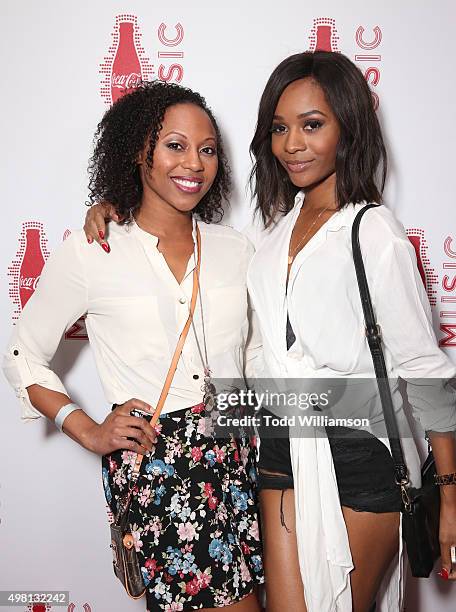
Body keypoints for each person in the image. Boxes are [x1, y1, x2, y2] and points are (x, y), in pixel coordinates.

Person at [83, 53, 456, 612]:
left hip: (359, 452)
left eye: (312, 125)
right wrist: (125, 209)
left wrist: (450, 496)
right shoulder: (271, 236)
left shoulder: (374, 232)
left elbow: (424, 371)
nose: (292, 144)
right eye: (280, 128)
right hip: (279, 449)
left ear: (348, 128)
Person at [3, 81, 264, 612]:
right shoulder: (95, 249)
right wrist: (87, 429)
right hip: (160, 467)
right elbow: (21, 353)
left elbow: (256, 358)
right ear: (137, 152)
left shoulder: (235, 249)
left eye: (207, 149)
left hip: (241, 458)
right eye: (174, 145)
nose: (194, 162)